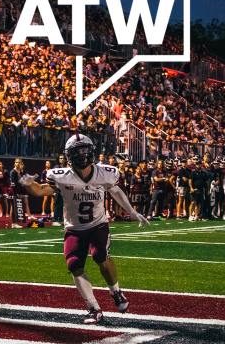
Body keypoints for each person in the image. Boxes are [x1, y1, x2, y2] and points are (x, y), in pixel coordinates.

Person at [20, 134, 149, 324]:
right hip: (74, 227)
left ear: (91, 151)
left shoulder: (104, 173)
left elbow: (114, 190)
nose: (82, 155)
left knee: (100, 256)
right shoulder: (62, 177)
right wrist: (29, 185)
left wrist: (131, 211)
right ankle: (94, 308)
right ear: (69, 155)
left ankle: (116, 291)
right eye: (77, 151)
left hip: (98, 224)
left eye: (84, 150)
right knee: (73, 264)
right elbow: (40, 191)